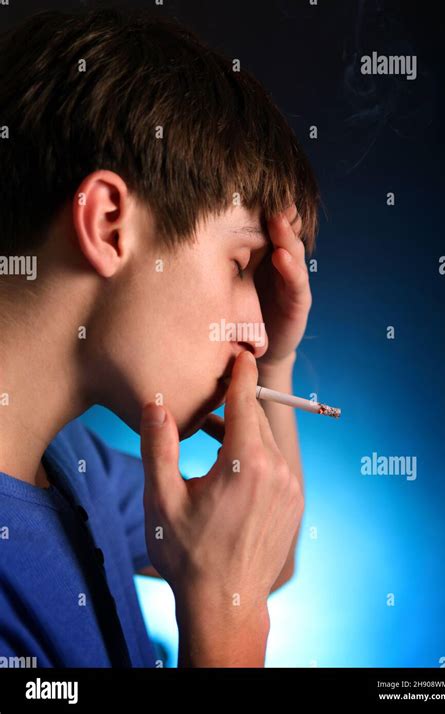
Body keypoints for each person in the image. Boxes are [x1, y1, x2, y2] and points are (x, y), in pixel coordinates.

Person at [0, 6, 320, 667]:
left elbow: (263, 552)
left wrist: (278, 361)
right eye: (239, 267)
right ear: (111, 224)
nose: (254, 334)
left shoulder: (72, 466)